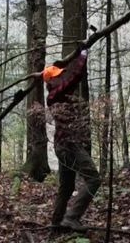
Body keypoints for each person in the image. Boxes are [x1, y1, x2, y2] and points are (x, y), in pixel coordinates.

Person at [42, 46, 101, 230]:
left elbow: (73, 78)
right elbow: (75, 77)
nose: (62, 76)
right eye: (59, 75)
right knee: (93, 179)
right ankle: (71, 218)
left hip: (62, 146)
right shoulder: (57, 93)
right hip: (68, 145)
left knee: (66, 187)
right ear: (52, 80)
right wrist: (83, 53)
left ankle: (56, 223)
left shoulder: (56, 94)